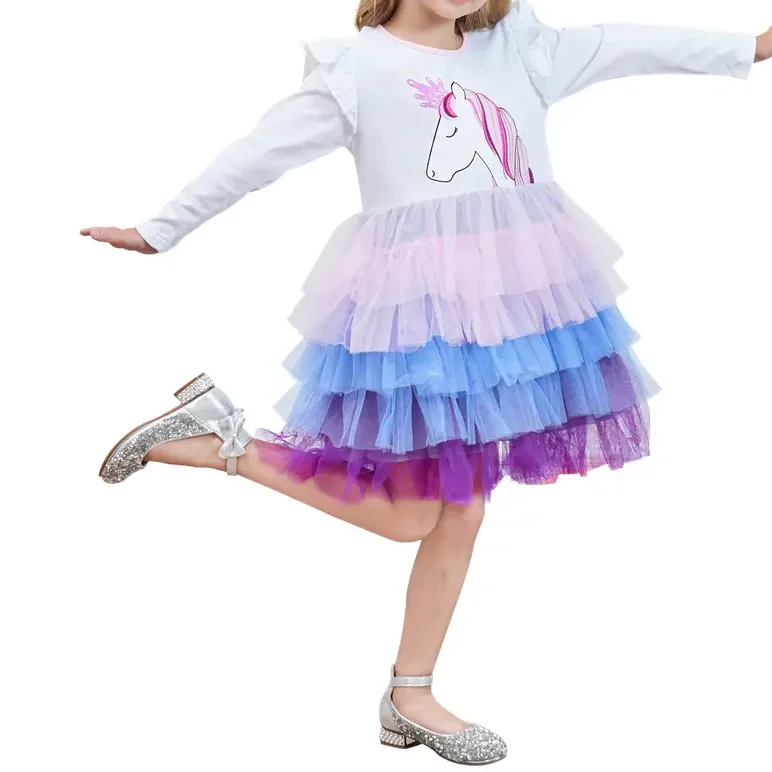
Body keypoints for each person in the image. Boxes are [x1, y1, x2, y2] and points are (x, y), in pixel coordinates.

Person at [82, 0, 772, 764]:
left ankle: (410, 695)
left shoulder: (521, 48)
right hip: (420, 320)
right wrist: (161, 228)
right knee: (418, 515)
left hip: (513, 312)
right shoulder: (357, 69)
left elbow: (628, 45)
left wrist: (750, 46)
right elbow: (258, 153)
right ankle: (224, 444)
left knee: (463, 509)